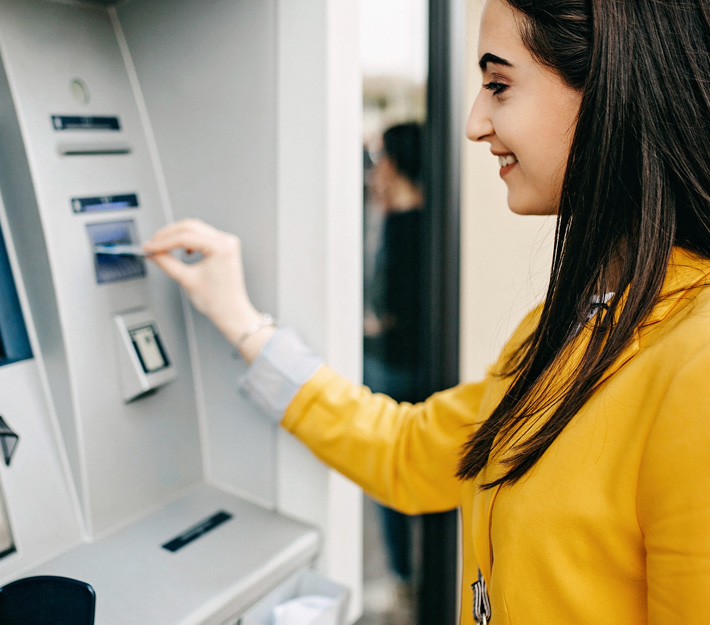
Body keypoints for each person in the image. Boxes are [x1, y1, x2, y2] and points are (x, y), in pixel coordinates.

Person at [144, 0, 710, 623]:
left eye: (498, 85)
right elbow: (407, 452)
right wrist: (242, 324)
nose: (474, 123)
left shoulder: (696, 365)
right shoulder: (563, 327)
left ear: (611, 88)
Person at [363, 122, 424, 612]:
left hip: (397, 368)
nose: (373, 167)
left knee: (389, 473)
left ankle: (404, 576)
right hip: (399, 365)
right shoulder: (404, 219)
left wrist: (372, 326)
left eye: (380, 156)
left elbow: (401, 311)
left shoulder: (408, 228)